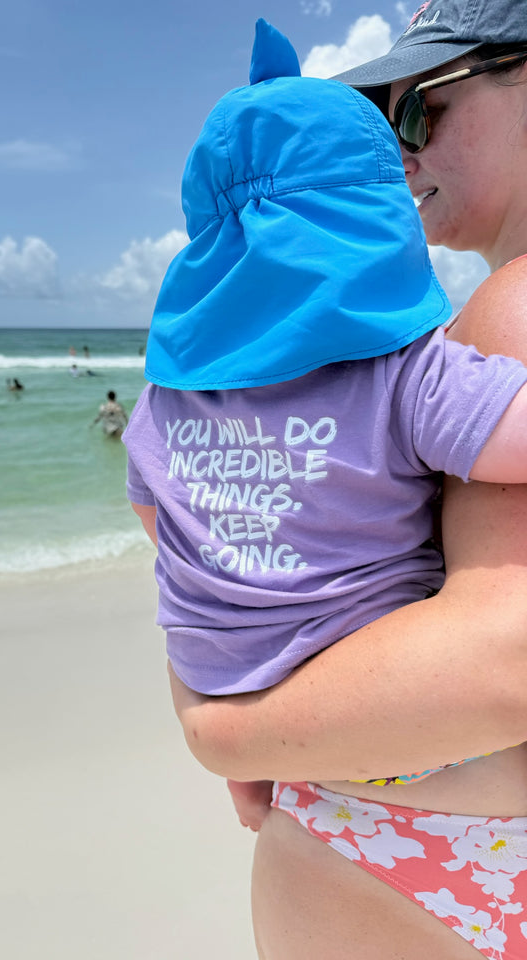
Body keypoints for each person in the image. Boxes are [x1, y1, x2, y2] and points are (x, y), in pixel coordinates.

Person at [162, 6, 527, 959]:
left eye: (420, 114)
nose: (403, 157)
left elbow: (507, 660)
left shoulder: (510, 308)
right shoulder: (423, 369)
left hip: (392, 836)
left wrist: (221, 729)